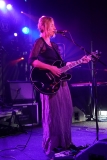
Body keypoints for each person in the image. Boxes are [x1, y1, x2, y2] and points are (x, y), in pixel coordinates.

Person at [28, 16, 90, 156]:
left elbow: (61, 65)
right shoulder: (40, 42)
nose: (54, 27)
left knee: (65, 111)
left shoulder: (54, 46)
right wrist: (50, 68)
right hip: (49, 84)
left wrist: (79, 61)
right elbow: (33, 61)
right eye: (52, 25)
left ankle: (65, 142)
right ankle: (53, 145)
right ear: (44, 26)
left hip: (61, 83)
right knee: (53, 115)